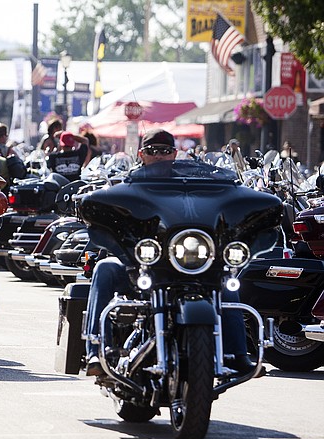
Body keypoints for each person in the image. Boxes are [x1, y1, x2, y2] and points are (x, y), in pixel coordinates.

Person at [83, 129, 261, 378]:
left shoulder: (194, 184)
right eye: (152, 151)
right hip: (142, 265)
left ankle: (238, 354)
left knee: (228, 282)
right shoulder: (128, 184)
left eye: (165, 151)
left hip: (187, 262)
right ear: (142, 154)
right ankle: (95, 350)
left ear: (174, 154)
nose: (158, 156)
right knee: (104, 269)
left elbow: (213, 207)